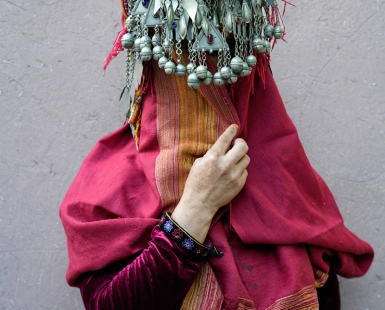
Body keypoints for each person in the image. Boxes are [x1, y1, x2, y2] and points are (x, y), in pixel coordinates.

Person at [59, 0, 374, 309]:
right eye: (184, 66)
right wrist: (194, 211)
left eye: (221, 66)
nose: (205, 92)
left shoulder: (290, 195)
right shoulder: (109, 189)